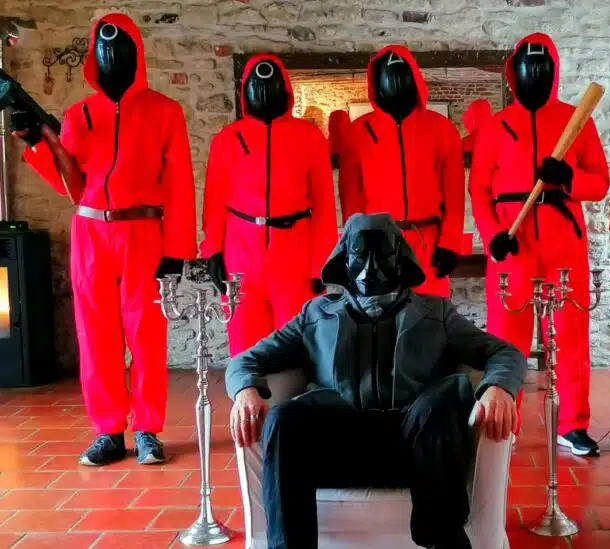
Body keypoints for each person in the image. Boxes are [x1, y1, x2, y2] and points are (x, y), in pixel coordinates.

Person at [227, 213, 527, 549]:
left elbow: (504, 352)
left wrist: (498, 387)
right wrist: (245, 390)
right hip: (339, 446)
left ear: (399, 258)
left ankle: (445, 541)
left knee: (445, 397)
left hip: (418, 447)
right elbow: (246, 360)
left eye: (381, 255)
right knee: (284, 419)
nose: (370, 270)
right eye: (360, 256)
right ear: (345, 258)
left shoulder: (436, 313)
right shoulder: (315, 315)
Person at [11, 13, 197, 465]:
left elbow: (179, 185)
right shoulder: (79, 114)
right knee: (95, 335)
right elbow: (71, 185)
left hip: (143, 232)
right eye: (104, 48)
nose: (112, 55)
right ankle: (109, 430)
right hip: (91, 232)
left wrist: (177, 252)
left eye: (121, 47)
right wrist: (37, 144)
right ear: (94, 57)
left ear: (137, 53)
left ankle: (148, 429)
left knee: (147, 334)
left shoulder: (164, 111)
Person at [469, 33, 609, 456]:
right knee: (506, 336)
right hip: (513, 240)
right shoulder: (495, 126)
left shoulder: (575, 120)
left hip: (563, 238)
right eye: (528, 67)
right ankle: (505, 422)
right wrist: (491, 234)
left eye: (542, 67)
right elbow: (479, 189)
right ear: (514, 74)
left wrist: (567, 178)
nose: (535, 74)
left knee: (570, 336)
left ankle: (573, 423)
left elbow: (599, 182)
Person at [201, 54, 338, 356]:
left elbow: (324, 205)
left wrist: (322, 263)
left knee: (297, 340)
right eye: (256, 84)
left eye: (272, 83)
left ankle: (294, 389)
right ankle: (247, 388)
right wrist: (212, 251)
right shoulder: (227, 139)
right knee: (244, 342)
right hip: (241, 250)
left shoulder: (309, 137)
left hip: (295, 251)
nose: (263, 91)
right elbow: (215, 200)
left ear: (284, 88)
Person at [338, 45, 465, 298]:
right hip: (377, 244)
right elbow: (351, 198)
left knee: (429, 317)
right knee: (379, 317)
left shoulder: (441, 129)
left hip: (428, 242)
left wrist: (450, 243)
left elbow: (454, 193)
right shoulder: (358, 133)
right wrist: (357, 245)